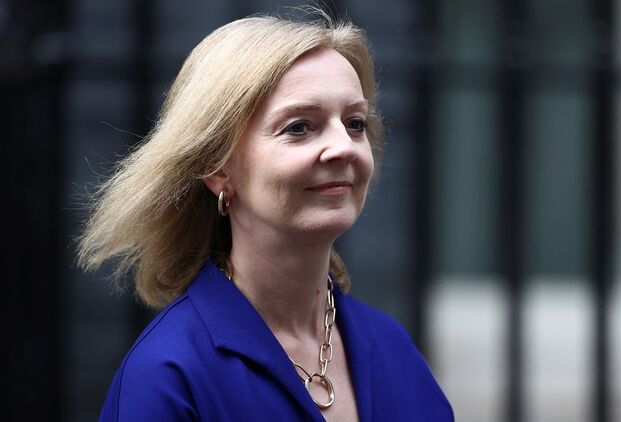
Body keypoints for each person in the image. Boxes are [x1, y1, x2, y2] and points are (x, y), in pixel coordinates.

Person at [77, 12, 453, 422]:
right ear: (218, 169)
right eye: (299, 127)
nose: (344, 147)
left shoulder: (392, 348)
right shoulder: (168, 374)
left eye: (355, 123)